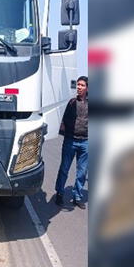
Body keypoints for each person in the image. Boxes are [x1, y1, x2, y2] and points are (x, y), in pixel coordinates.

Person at [54, 76, 88, 209]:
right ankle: (60, 194)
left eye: (82, 85)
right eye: (78, 85)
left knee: (82, 172)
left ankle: (77, 196)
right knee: (64, 169)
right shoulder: (71, 102)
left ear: (87, 88)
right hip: (70, 140)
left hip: (86, 142)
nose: (79, 87)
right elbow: (61, 117)